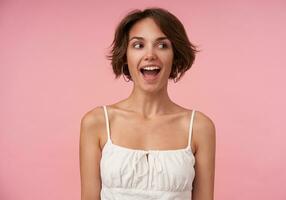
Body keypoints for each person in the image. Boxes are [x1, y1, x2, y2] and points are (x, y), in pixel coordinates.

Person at [79, 7, 216, 200]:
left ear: (175, 55)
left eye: (162, 45)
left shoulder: (200, 127)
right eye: (138, 45)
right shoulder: (96, 122)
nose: (150, 54)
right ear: (125, 56)